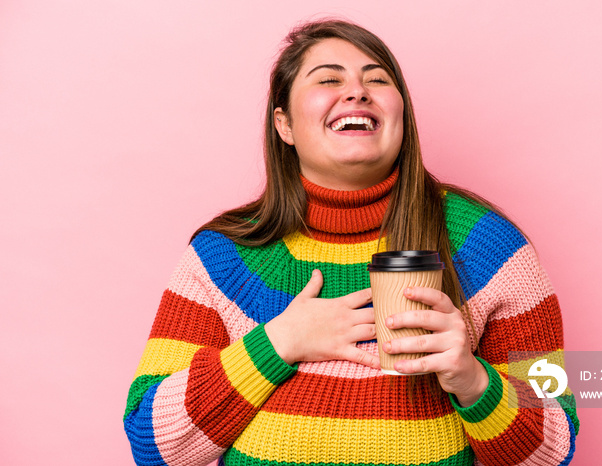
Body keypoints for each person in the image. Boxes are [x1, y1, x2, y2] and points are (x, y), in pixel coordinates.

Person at [124, 19, 579, 466]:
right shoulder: (223, 254)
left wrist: (474, 382)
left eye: (377, 79)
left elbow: (554, 442)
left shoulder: (489, 246)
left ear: (401, 113)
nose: (357, 91)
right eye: (328, 79)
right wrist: (278, 343)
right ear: (283, 124)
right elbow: (152, 442)